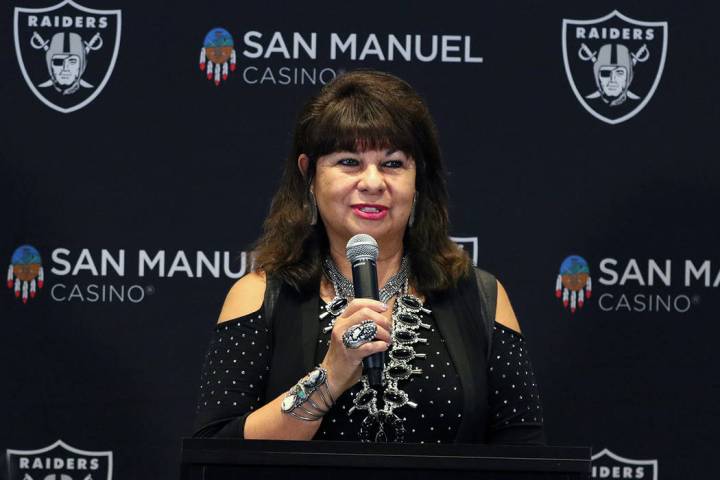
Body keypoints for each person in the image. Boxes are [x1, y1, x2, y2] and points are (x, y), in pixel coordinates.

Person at [193, 70, 545, 444]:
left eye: (393, 163)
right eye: (349, 162)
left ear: (419, 179)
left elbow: (524, 452)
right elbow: (215, 452)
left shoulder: (481, 297)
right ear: (309, 174)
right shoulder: (259, 295)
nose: (373, 183)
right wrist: (329, 376)